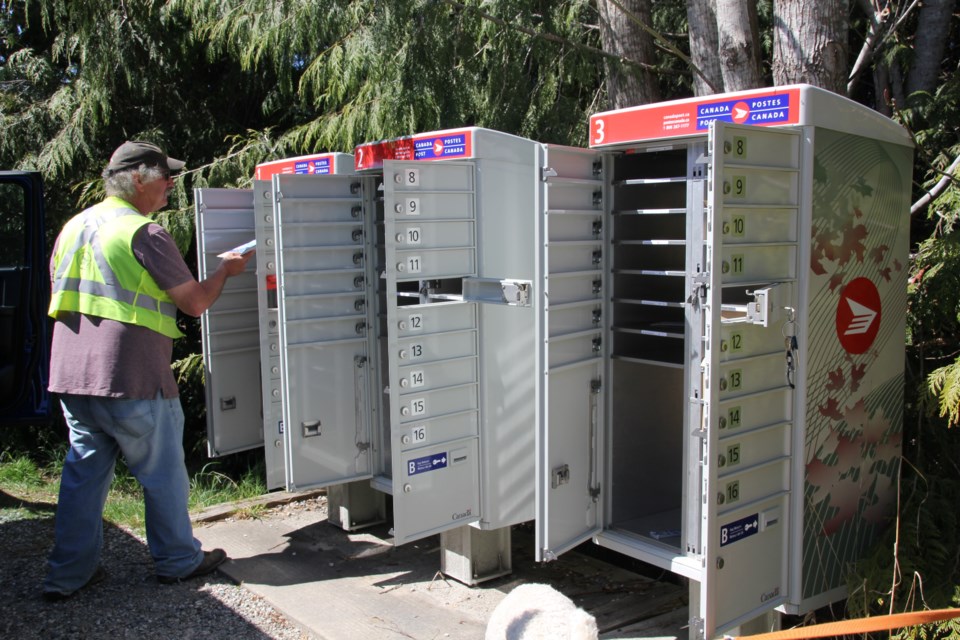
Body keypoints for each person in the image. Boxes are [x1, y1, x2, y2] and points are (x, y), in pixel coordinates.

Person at [42, 141, 254, 601]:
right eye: (166, 175)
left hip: (72, 375)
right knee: (163, 474)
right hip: (131, 375)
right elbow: (194, 303)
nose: (172, 184)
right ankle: (178, 561)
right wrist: (226, 271)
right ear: (139, 179)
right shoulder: (143, 233)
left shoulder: (74, 226)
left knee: (83, 474)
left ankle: (67, 575)